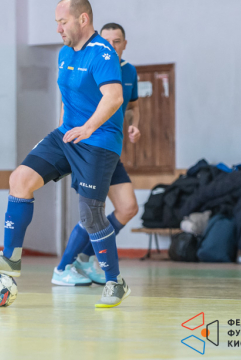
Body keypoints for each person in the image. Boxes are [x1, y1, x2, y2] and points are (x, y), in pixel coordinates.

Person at [0, 0, 131, 308]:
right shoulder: (64, 53)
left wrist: (88, 128)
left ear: (83, 19)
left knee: (91, 215)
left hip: (98, 141)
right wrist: (60, 134)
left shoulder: (103, 53)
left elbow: (113, 97)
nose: (58, 29)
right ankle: (11, 258)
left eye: (62, 22)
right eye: (56, 22)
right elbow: (67, 97)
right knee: (20, 179)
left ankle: (115, 282)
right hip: (67, 135)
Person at [52, 22, 141, 286]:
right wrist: (64, 142)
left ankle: (84, 257)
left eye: (117, 41)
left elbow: (132, 106)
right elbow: (68, 103)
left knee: (128, 208)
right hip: (87, 148)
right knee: (93, 211)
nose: (111, 46)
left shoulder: (129, 71)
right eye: (106, 41)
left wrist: (134, 124)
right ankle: (63, 267)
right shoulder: (90, 62)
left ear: (125, 44)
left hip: (110, 148)